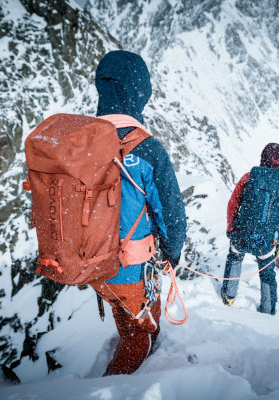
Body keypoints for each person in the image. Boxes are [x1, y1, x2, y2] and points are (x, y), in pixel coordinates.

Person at [89, 50, 186, 375]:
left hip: (92, 267)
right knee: (140, 334)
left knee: (127, 314)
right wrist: (171, 254)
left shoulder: (81, 145)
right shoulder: (148, 150)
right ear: (138, 91)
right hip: (130, 269)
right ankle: (110, 389)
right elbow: (171, 215)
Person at [220, 143, 279, 315]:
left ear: (262, 157)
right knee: (267, 273)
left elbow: (233, 203)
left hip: (241, 236)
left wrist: (231, 227)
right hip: (266, 243)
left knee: (235, 258)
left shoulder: (249, 177)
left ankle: (229, 296)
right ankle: (267, 310)